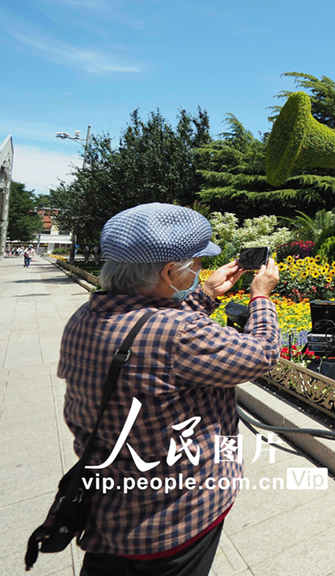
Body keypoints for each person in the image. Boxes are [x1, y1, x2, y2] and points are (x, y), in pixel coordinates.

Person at [57, 202, 280, 575]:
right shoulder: (179, 334)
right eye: (195, 264)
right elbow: (261, 354)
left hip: (110, 511)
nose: (200, 270)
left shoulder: (86, 316)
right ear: (168, 271)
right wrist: (261, 297)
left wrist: (204, 294)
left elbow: (147, 330)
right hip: (173, 522)